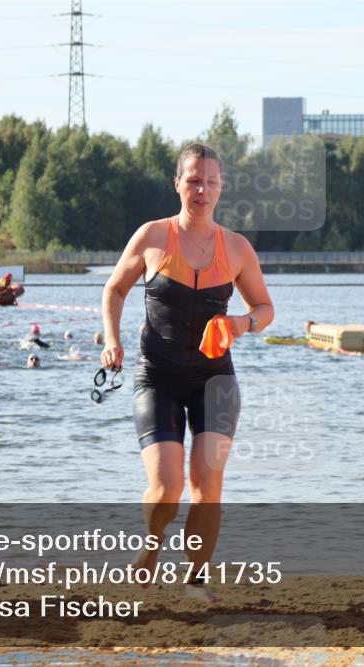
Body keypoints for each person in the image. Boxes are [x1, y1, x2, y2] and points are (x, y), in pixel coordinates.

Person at [101, 143, 274, 603]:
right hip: (157, 375)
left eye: (210, 182)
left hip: (215, 380)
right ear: (178, 183)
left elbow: (265, 308)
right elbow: (115, 289)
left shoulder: (235, 248)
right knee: (167, 487)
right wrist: (112, 340)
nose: (202, 190)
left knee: (207, 485)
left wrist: (241, 323)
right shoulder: (152, 237)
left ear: (221, 188)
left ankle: (195, 578)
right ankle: (151, 548)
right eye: (193, 180)